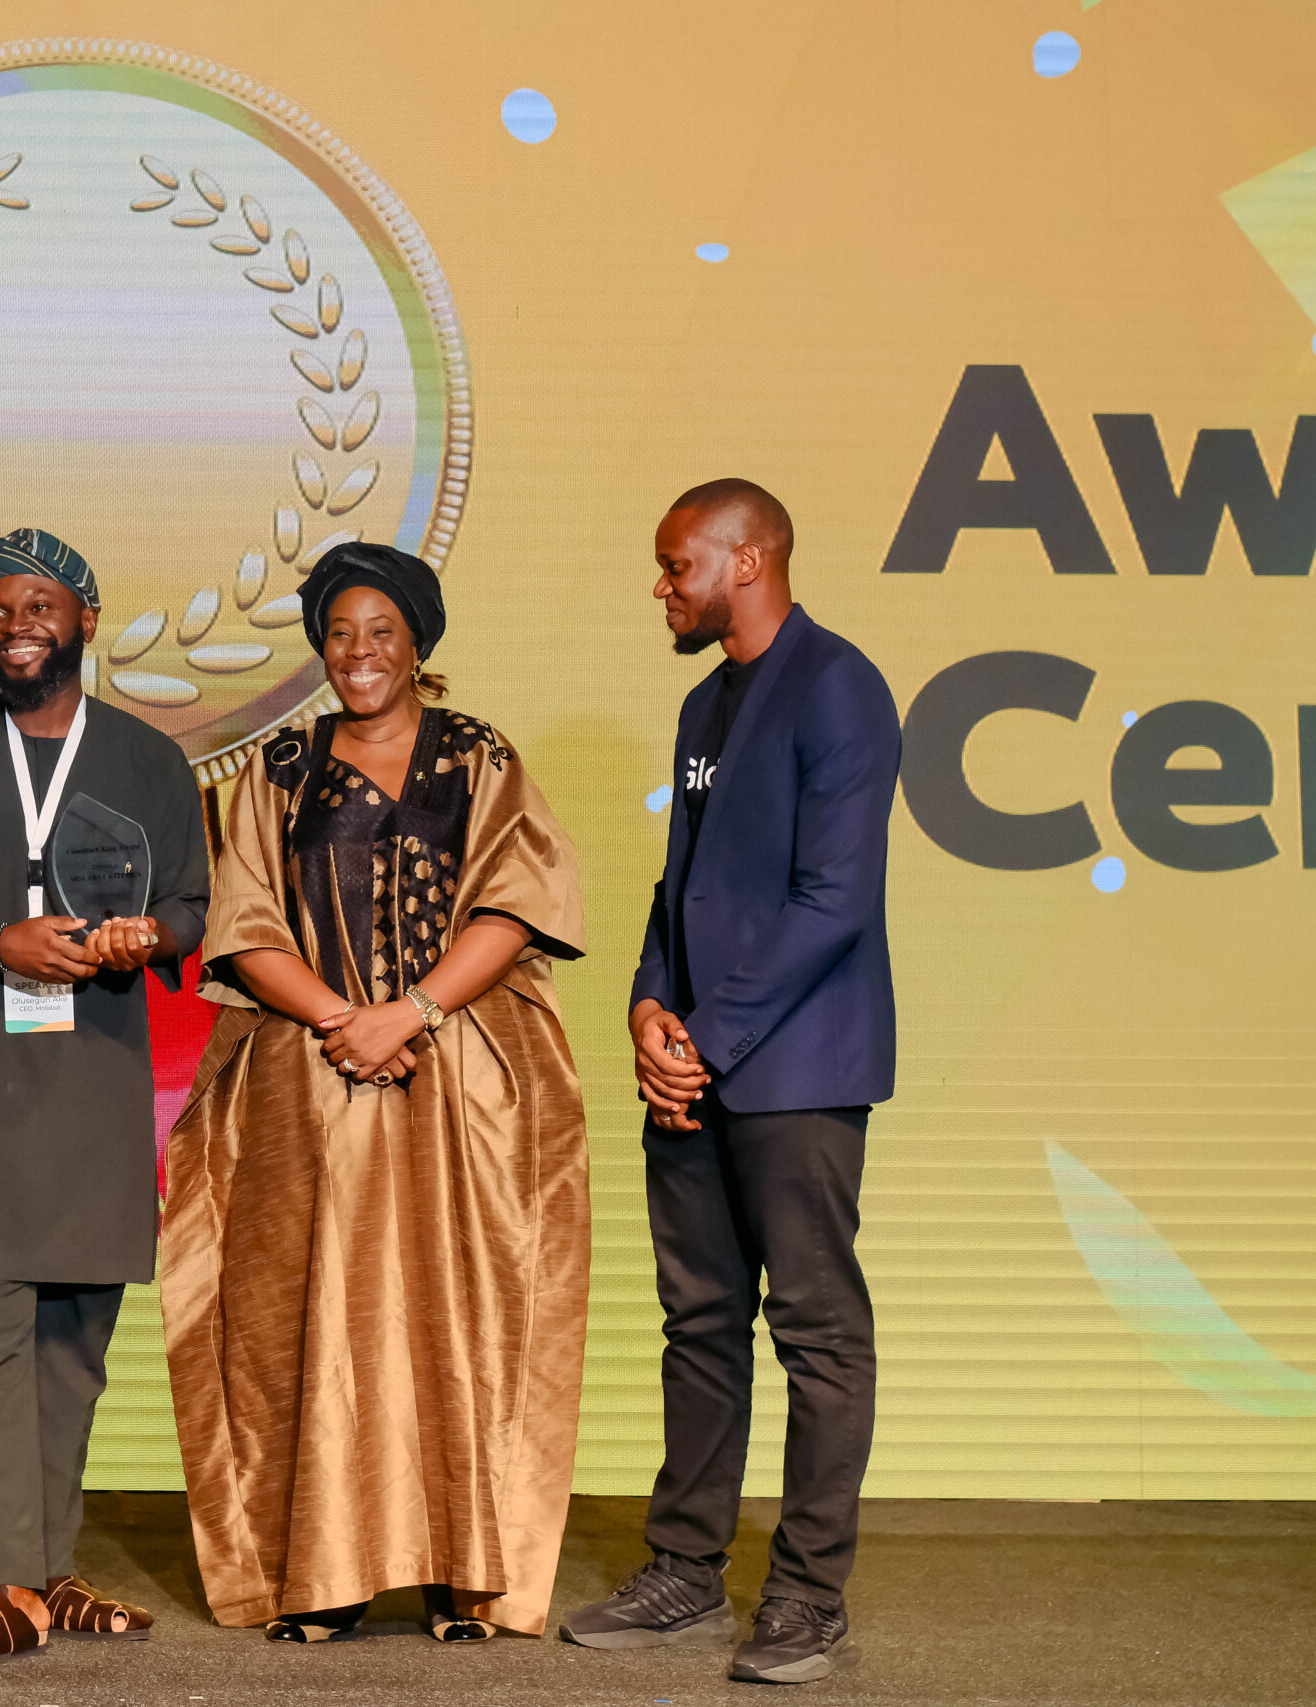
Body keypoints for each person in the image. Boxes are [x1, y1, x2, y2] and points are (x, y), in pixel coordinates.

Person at [161, 540, 591, 1645]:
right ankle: (323, 1575)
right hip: (310, 1087)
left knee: (465, 1316)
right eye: (341, 634)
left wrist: (411, 1013)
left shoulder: (478, 757)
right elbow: (243, 921)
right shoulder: (280, 768)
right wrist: (342, 1020)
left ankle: (469, 1577)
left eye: (381, 634)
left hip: (465, 1084)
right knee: (316, 1320)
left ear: (417, 648)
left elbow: (515, 901)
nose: (359, 653)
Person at [559, 480, 899, 1685]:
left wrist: (708, 1037)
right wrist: (651, 1004)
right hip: (698, 1062)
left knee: (815, 1330)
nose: (662, 589)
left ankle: (807, 1594)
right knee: (698, 1324)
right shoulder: (705, 703)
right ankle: (685, 1569)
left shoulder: (839, 686)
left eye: (675, 567)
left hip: (796, 1070)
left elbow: (832, 906)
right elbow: (680, 882)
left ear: (747, 558)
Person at [0, 526, 210, 1672]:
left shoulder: (150, 762)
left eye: (41, 606)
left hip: (97, 1088)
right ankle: (1, 1583)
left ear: (86, 622)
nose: (17, 623)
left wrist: (143, 933)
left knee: (73, 1342)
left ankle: (46, 1570)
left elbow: (192, 910)